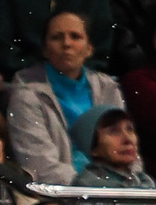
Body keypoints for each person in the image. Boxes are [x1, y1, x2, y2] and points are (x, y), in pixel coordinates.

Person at [8, 10, 120, 184]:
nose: (66, 43)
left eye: (75, 36)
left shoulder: (108, 88)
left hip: (112, 190)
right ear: (45, 49)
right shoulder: (26, 93)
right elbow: (40, 165)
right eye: (57, 37)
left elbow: (126, 150)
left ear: (89, 48)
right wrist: (92, 190)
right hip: (60, 194)